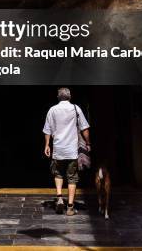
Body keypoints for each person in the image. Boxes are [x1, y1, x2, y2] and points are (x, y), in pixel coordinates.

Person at [43, 87, 90, 216]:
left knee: (58, 174)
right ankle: (70, 207)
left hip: (58, 149)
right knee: (72, 178)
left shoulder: (52, 110)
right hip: (72, 150)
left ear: (58, 97)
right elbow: (84, 128)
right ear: (70, 97)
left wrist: (47, 145)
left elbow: (47, 130)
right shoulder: (76, 109)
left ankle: (59, 198)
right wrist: (88, 143)